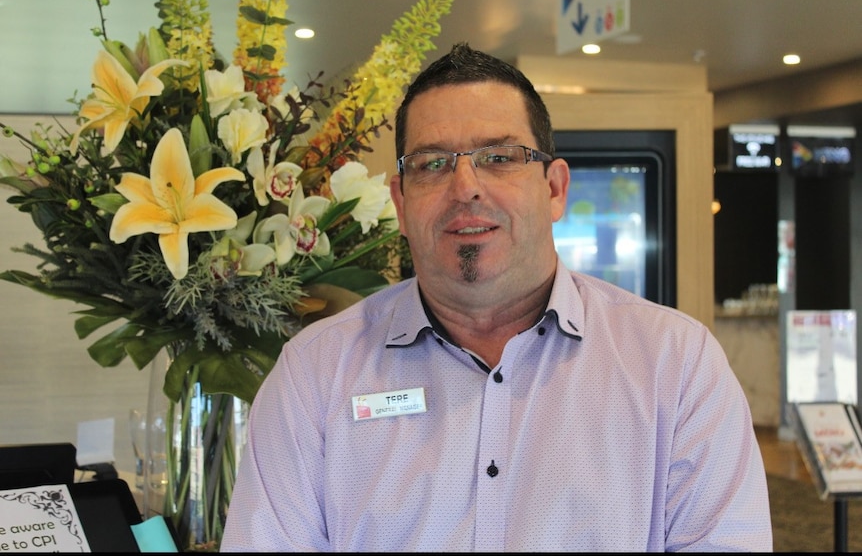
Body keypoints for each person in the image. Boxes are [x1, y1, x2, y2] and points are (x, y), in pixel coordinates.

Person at [220, 42, 773, 552]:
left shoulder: (675, 368)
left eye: (500, 157)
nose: (466, 188)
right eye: (433, 164)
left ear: (554, 188)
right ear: (401, 201)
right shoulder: (313, 376)